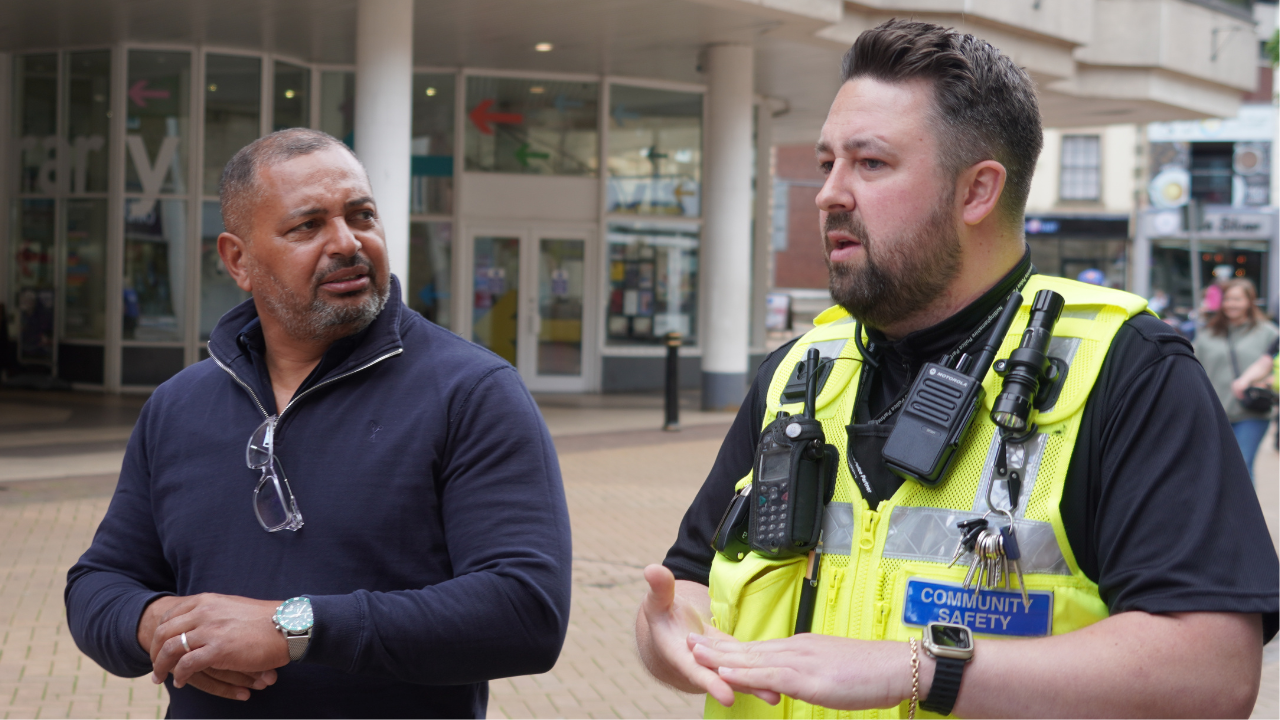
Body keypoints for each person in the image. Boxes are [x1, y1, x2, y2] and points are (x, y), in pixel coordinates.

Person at [635, 19, 1277, 719]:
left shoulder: (1129, 370)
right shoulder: (798, 371)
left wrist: (922, 670)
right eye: (827, 164)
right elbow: (687, 587)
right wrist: (666, 635)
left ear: (978, 191)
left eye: (870, 164)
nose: (830, 194)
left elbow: (1213, 670)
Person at [65, 129, 572, 718]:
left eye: (362, 216)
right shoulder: (178, 405)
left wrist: (295, 625)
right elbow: (99, 583)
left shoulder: (472, 393)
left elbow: (524, 611)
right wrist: (154, 623)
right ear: (238, 260)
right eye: (308, 226)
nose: (347, 243)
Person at [1195, 278, 1279, 480]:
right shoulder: (1207, 334)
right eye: (1228, 299)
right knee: (1213, 471)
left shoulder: (1267, 332)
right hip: (1215, 413)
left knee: (1241, 467)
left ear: (1250, 301)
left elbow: (1273, 365)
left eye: (1238, 299)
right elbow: (1193, 368)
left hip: (1250, 412)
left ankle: (1245, 512)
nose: (1232, 304)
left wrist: (1266, 382)